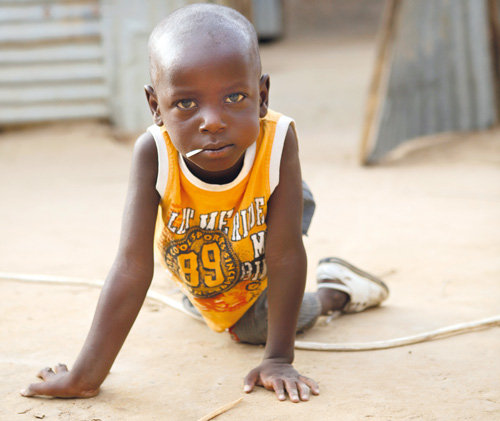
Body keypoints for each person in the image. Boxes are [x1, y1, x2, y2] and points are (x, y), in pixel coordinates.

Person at [20, 3, 389, 403]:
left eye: (234, 96)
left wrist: (278, 359)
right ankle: (210, 286)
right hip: (209, 243)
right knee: (212, 295)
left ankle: (337, 289)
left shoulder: (278, 139)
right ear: (156, 107)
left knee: (254, 326)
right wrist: (85, 376)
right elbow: (131, 266)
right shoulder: (153, 154)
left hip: (264, 209)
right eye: (186, 103)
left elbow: (283, 254)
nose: (212, 121)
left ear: (262, 96)